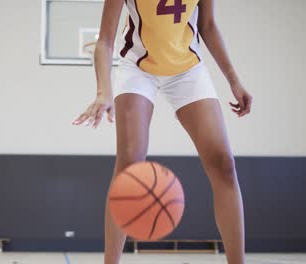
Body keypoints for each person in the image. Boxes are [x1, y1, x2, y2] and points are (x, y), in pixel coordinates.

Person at [72, 0, 252, 263]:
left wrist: (234, 81)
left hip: (188, 68)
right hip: (137, 67)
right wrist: (103, 91)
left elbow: (208, 25)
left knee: (223, 163)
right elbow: (105, 40)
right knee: (130, 164)